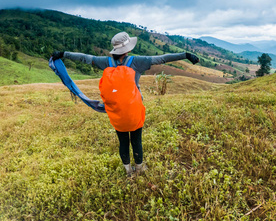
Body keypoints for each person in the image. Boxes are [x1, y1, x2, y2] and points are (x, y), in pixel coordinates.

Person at [52, 31, 199, 176]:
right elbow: (162, 59)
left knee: (123, 141)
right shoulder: (137, 62)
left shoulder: (106, 62)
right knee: (136, 140)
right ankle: (140, 168)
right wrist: (185, 55)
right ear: (128, 49)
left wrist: (63, 54)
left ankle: (128, 170)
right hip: (134, 110)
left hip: (116, 111)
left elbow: (85, 58)